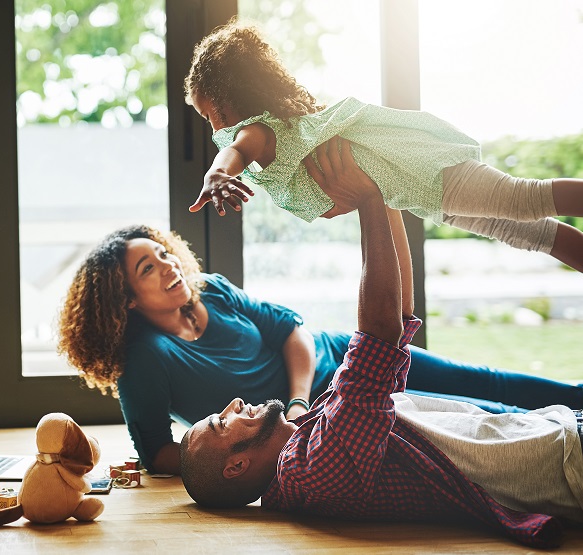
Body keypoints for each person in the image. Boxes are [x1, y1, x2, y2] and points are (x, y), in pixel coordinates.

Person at [56, 138, 583, 477]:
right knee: (478, 420)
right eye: (149, 268)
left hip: (344, 360)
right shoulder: (145, 358)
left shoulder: (210, 289)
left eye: (164, 253)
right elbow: (159, 453)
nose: (170, 265)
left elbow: (292, 331)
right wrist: (269, 454)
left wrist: (298, 400)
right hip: (332, 422)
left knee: (486, 382)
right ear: (123, 298)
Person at [179, 156, 583, 548]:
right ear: (236, 466)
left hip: (556, 434)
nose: (232, 404)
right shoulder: (309, 470)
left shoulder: (310, 438)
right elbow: (380, 333)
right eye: (220, 422)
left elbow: (399, 318)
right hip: (565, 461)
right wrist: (367, 201)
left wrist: (383, 193)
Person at [184, 19, 583, 273]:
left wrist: (217, 174)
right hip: (420, 190)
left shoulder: (259, 132)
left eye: (208, 116)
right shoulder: (288, 132)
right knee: (529, 233)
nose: (213, 128)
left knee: (523, 199)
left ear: (222, 101)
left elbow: (233, 152)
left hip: (424, 171)